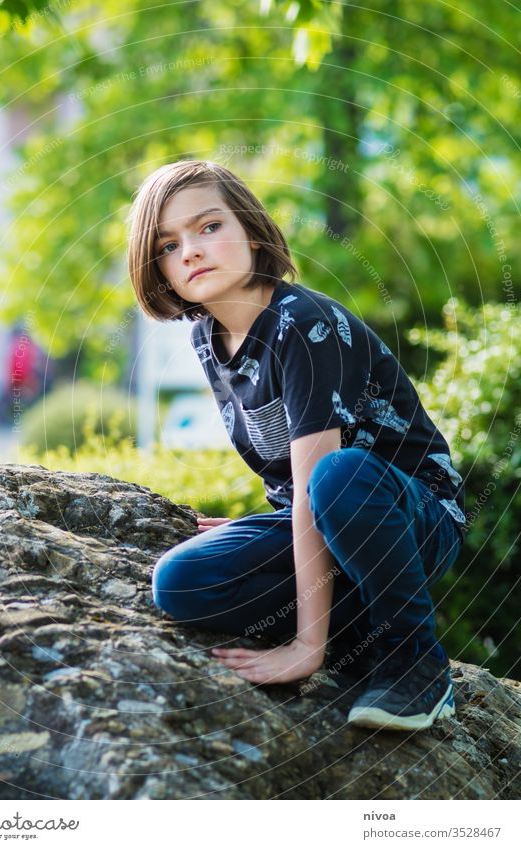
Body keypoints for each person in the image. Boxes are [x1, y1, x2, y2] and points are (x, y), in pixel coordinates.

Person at [126, 159, 466, 732]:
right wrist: (259, 531)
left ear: (252, 232)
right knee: (179, 583)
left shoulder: (302, 326)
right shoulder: (208, 337)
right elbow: (290, 477)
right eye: (167, 245)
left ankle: (418, 668)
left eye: (209, 227)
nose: (190, 250)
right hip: (314, 511)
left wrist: (305, 650)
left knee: (338, 478)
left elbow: (317, 479)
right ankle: (356, 639)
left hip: (409, 515)